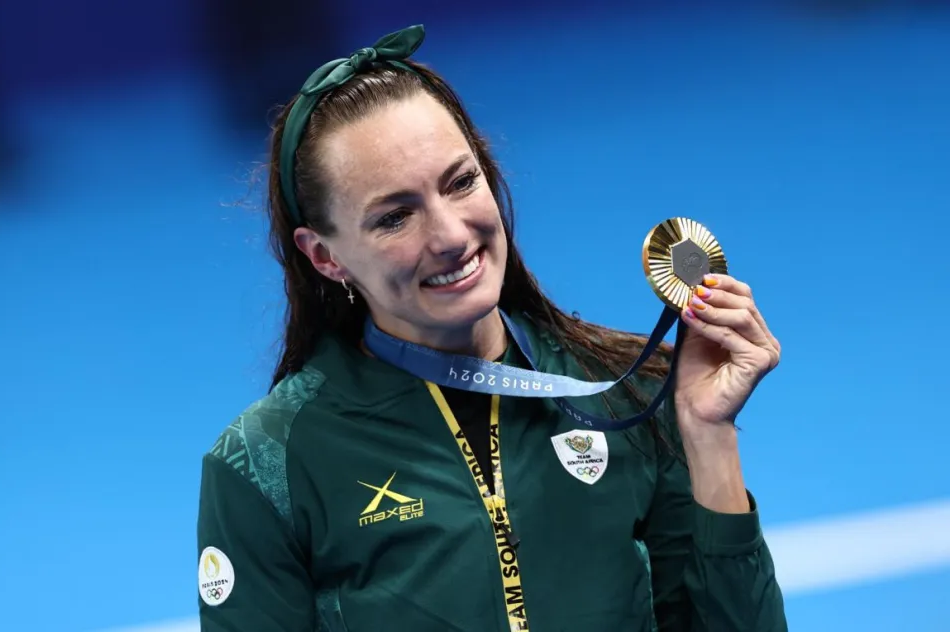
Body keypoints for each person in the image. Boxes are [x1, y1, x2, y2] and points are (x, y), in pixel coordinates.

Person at [196, 24, 788, 632]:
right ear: (325, 257)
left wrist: (709, 437)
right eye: (395, 217)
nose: (452, 235)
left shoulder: (627, 394)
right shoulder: (264, 464)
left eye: (460, 182)